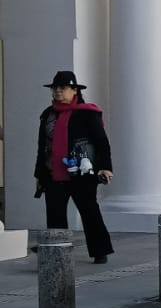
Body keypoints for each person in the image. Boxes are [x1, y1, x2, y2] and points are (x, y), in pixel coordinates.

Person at [34, 71, 114, 263]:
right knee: (55, 215)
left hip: (82, 173)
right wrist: (39, 174)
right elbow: (43, 146)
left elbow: (101, 142)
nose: (58, 91)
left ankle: (100, 251)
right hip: (53, 173)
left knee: (89, 212)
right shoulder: (48, 114)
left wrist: (105, 167)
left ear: (74, 90)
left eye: (63, 88)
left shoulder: (87, 113)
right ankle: (57, 252)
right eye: (55, 88)